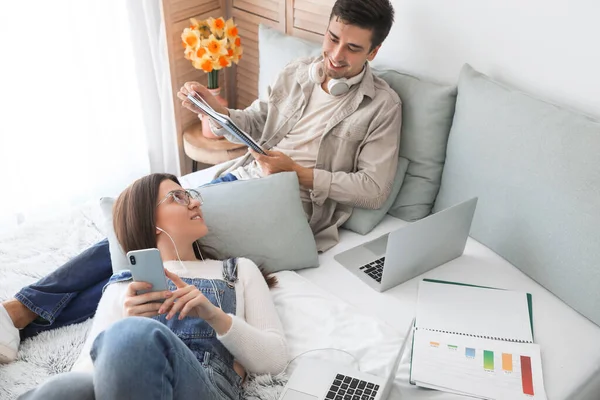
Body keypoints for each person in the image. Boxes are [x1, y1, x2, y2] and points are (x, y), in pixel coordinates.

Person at [0, 0, 400, 364]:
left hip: (292, 206)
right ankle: (24, 313)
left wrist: (297, 172)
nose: (334, 55)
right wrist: (216, 111)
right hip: (240, 179)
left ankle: (22, 313)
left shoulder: (382, 105)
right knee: (144, 227)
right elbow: (257, 123)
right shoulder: (299, 72)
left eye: (352, 48)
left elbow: (373, 188)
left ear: (374, 52)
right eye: (332, 39)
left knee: (149, 238)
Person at [18, 173, 287, 399]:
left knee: (134, 335)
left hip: (204, 387)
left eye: (191, 195)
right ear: (150, 220)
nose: (194, 202)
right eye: (178, 197)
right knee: (61, 388)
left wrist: (214, 316)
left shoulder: (237, 271)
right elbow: (86, 372)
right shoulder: (123, 287)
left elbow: (274, 361)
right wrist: (125, 323)